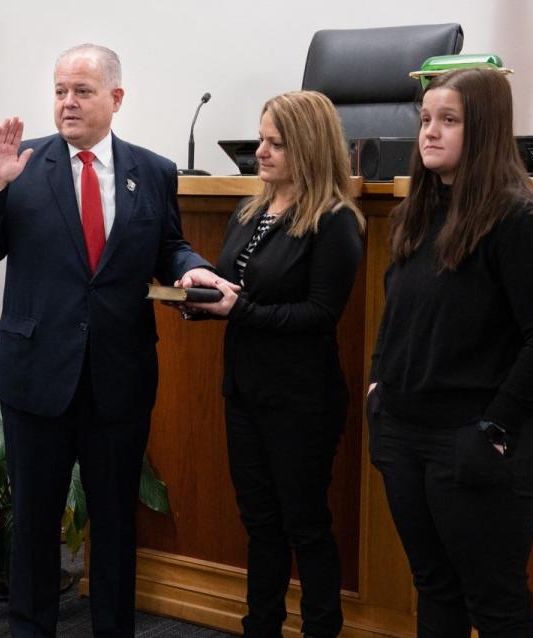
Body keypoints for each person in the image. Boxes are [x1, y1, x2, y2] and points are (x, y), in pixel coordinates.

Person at [0, 43, 222, 637]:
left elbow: (168, 246)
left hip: (118, 377)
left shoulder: (152, 171)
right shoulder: (20, 165)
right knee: (32, 523)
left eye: (81, 91)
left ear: (115, 98)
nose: (67, 103)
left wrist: (192, 267)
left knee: (116, 525)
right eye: (59, 91)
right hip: (37, 376)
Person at [367, 68, 533, 637]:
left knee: (495, 599)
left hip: (481, 440)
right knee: (434, 588)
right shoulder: (418, 212)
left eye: (449, 121)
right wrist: (377, 388)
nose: (429, 133)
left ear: (484, 130)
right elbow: (397, 316)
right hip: (406, 432)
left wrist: (495, 427)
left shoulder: (522, 221)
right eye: (426, 120)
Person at [182, 90, 364, 637]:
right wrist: (199, 298)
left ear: (307, 149)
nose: (259, 152)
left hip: (301, 398)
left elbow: (319, 314)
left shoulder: (335, 222)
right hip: (245, 390)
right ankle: (260, 627)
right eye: (260, 138)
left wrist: (242, 309)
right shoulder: (250, 209)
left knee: (305, 526)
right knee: (260, 525)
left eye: (274, 144)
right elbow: (234, 286)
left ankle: (319, 630)